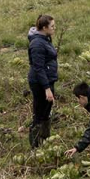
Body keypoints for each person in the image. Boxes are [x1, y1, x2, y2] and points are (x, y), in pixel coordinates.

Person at [27, 14, 58, 148]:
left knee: (46, 111)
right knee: (39, 113)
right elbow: (38, 68)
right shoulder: (37, 44)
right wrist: (47, 88)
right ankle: (35, 145)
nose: (54, 28)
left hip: (47, 80)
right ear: (44, 27)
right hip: (40, 83)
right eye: (52, 26)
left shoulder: (45, 38)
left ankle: (45, 139)